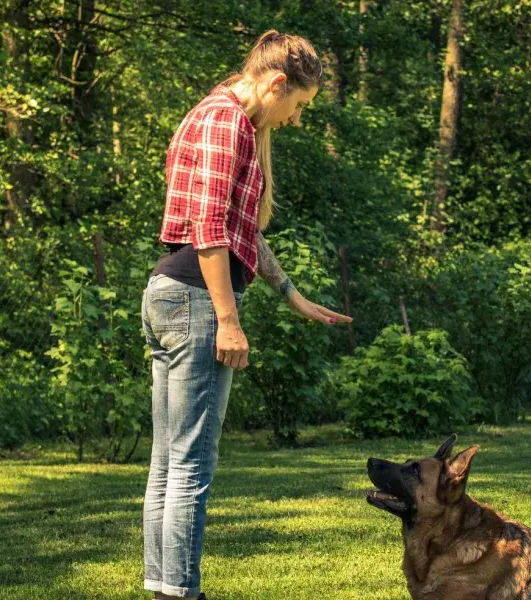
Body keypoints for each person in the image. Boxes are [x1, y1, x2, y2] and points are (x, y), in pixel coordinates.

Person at [139, 30, 353, 600]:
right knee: (190, 467)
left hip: (176, 294)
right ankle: (180, 592)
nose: (296, 119)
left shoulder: (226, 119)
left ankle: (165, 589)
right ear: (278, 83)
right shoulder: (226, 121)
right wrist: (228, 319)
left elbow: (241, 232)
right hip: (195, 300)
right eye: (299, 105)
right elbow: (210, 230)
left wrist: (292, 295)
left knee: (169, 464)